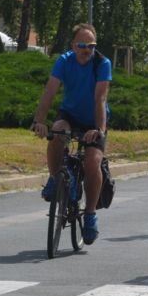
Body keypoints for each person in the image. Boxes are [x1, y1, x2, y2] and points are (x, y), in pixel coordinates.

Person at [32, 23, 112, 243]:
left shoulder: (102, 63)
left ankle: (90, 214)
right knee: (57, 132)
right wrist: (39, 121)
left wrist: (99, 129)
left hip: (94, 119)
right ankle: (54, 178)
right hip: (70, 114)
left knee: (92, 162)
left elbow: (100, 98)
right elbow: (50, 91)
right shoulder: (64, 61)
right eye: (82, 45)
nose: (87, 50)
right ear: (73, 45)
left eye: (91, 45)